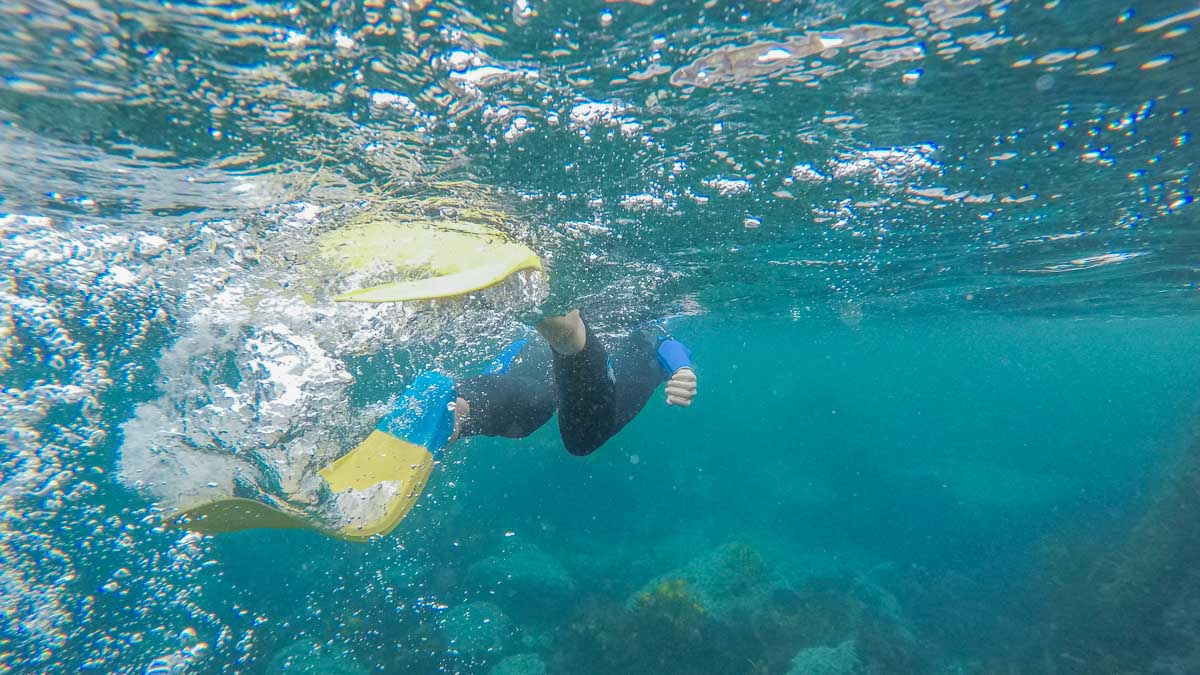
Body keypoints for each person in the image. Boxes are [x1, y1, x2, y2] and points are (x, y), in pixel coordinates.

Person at [449, 310, 698, 455]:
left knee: (530, 406)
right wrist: (683, 369)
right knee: (583, 438)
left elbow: (505, 365)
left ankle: (462, 409)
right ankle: (571, 337)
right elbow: (665, 341)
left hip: (537, 348)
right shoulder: (639, 336)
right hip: (597, 361)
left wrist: (472, 392)